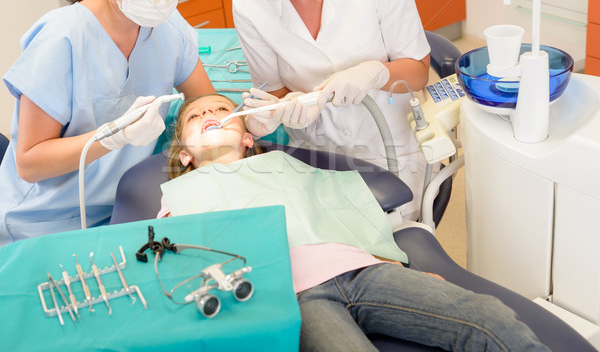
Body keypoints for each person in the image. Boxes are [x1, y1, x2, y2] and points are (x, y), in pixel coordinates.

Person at [157, 94, 551, 352]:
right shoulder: (179, 197)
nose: (209, 113)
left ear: (247, 137)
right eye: (196, 115)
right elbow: (180, 265)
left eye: (222, 110)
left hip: (364, 271)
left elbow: (338, 213)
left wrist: (398, 268)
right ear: (185, 155)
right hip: (293, 296)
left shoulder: (280, 165)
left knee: (487, 315)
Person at [0, 0, 214, 246]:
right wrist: (114, 137)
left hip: (129, 205)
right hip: (46, 222)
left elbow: (206, 103)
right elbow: (29, 163)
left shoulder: (169, 27)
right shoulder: (62, 39)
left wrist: (248, 118)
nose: (159, 0)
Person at [223, 0, 432, 227]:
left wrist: (376, 73)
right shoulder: (247, 5)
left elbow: (418, 71)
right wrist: (282, 110)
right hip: (317, 157)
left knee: (395, 247)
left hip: (392, 151)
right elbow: (273, 93)